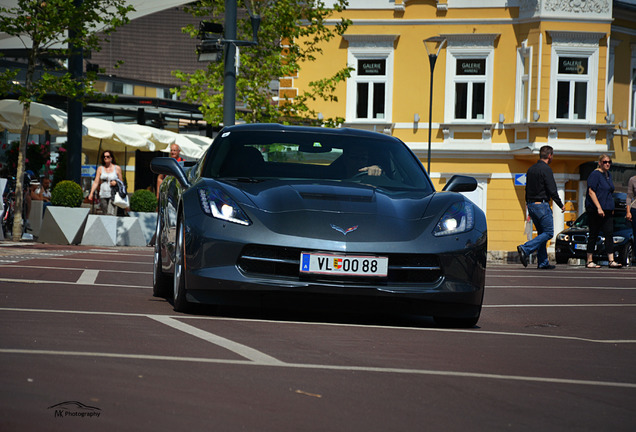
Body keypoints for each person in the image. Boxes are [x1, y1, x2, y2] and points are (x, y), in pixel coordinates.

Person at [517, 145, 565, 269]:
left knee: (541, 233)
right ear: (550, 156)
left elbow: (526, 189)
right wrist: (560, 204)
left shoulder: (531, 169)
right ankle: (525, 248)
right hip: (542, 205)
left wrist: (528, 204)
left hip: (532, 205)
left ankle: (543, 262)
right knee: (548, 233)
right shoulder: (546, 169)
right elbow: (552, 189)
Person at [585, 154, 621, 268]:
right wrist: (599, 207)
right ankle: (589, 260)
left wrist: (611, 207)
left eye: (609, 162)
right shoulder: (595, 174)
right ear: (600, 163)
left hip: (608, 209)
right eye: (605, 162)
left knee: (609, 234)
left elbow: (609, 192)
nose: (608, 164)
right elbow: (591, 191)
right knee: (593, 234)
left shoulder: (608, 175)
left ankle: (611, 260)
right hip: (596, 210)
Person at [89, 150, 123, 216]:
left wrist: (116, 182)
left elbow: (121, 183)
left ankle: (111, 225)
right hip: (103, 194)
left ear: (111, 158)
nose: (106, 158)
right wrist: (91, 193)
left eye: (108, 156)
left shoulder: (117, 168)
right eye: (104, 157)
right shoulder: (100, 168)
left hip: (113, 195)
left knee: (111, 214)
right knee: (105, 214)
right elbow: (96, 182)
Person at [627, 172, 636, 264]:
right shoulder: (632, 180)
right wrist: (628, 211)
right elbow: (629, 196)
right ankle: (635, 257)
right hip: (635, 209)